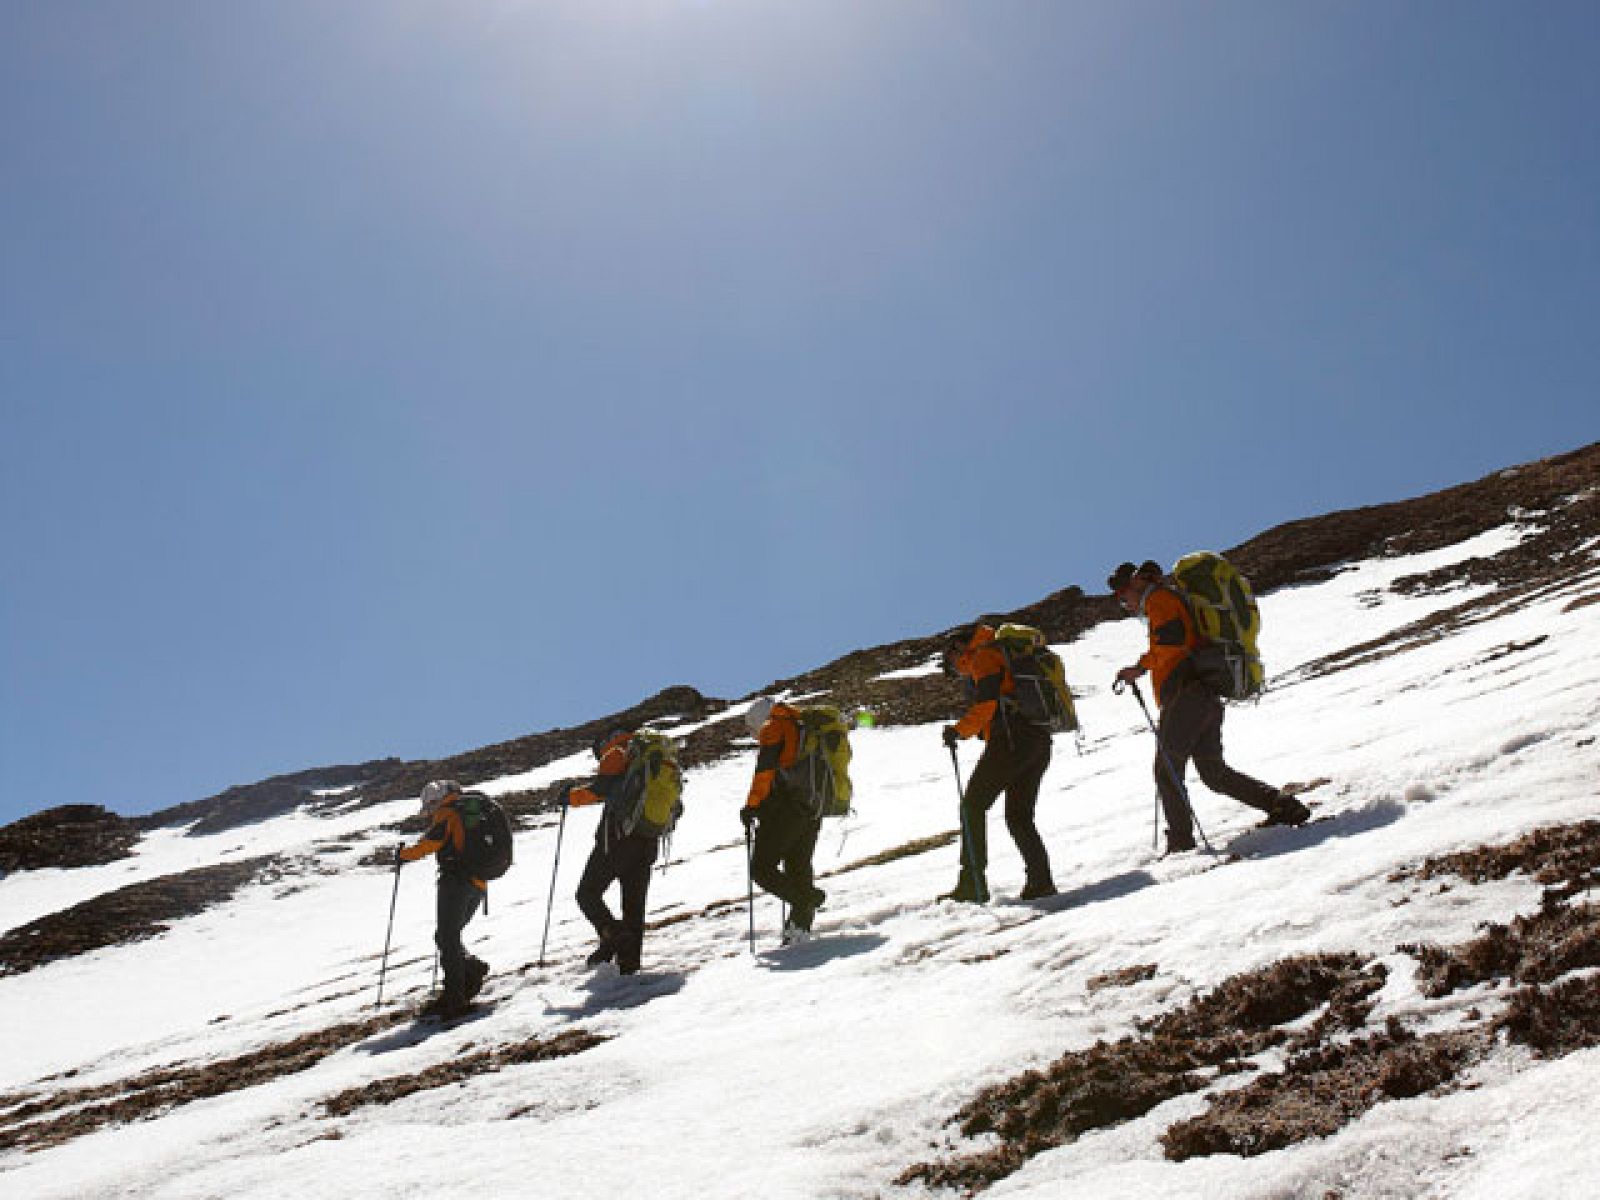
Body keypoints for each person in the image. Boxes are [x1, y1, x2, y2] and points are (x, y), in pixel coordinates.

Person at [1108, 561, 1310, 853]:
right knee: (1214, 773)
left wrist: (1139, 667)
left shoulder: (1159, 600)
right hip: (1203, 696)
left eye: (1123, 597)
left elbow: (1171, 644)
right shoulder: (1168, 599)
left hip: (1184, 697)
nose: (1125, 604)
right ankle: (1281, 805)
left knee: (1167, 770)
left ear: (1137, 585)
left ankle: (1181, 843)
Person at [940, 621, 1058, 902]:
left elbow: (987, 704)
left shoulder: (983, 655)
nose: (953, 667)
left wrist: (959, 730)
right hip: (1038, 741)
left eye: (950, 658)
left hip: (1012, 740)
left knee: (972, 806)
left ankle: (972, 885)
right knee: (1019, 816)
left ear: (959, 648)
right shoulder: (1002, 653)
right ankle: (1041, 882)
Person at [565, 728, 662, 975]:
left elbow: (599, 789)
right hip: (647, 840)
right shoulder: (649, 758)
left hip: (618, 841)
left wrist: (570, 797)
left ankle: (614, 936)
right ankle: (629, 966)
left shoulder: (616, 753)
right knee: (634, 905)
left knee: (587, 893)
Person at [397, 779, 490, 1017]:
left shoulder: (448, 813)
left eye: (429, 807)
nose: (429, 813)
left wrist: (404, 855)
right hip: (478, 884)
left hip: (456, 883)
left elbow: (430, 843)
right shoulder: (472, 811)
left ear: (435, 801)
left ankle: (455, 996)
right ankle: (469, 971)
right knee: (448, 935)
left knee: (447, 937)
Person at [739, 697, 828, 942]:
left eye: (751, 728)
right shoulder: (801, 729)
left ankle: (806, 900)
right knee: (798, 866)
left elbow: (764, 773)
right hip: (813, 809)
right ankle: (799, 930)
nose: (753, 734)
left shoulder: (774, 729)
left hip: (788, 811)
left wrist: (751, 806)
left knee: (761, 869)